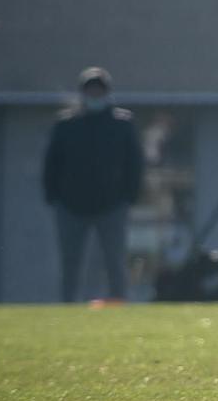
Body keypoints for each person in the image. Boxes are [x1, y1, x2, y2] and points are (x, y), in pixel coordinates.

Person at [42, 67, 143, 303]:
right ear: (82, 93)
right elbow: (52, 163)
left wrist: (130, 196)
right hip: (71, 206)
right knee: (71, 262)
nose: (95, 95)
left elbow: (135, 164)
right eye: (90, 90)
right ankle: (68, 307)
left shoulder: (122, 125)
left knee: (114, 260)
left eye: (99, 90)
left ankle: (119, 302)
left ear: (107, 93)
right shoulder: (66, 125)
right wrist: (52, 196)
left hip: (112, 205)